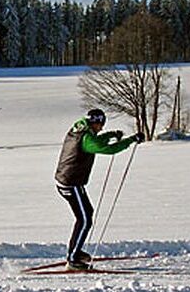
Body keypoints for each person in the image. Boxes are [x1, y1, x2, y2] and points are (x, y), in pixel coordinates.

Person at [54, 108, 143, 270]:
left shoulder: (81, 129)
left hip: (70, 180)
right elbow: (107, 149)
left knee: (86, 215)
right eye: (101, 125)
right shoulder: (87, 137)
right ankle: (73, 259)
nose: (101, 128)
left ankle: (75, 252)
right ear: (95, 123)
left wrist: (111, 135)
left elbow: (98, 141)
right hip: (70, 183)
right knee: (85, 219)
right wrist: (131, 140)